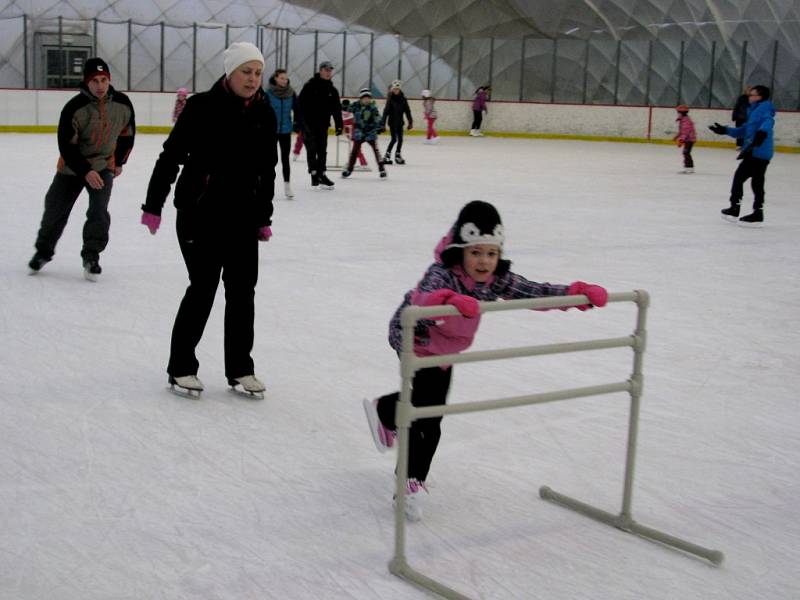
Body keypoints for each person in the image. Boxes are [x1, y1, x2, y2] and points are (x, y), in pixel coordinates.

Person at [362, 200, 608, 521]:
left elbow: (533, 292)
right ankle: (410, 481)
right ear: (460, 250)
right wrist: (450, 299)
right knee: (428, 416)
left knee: (427, 407)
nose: (483, 261)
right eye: (475, 252)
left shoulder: (495, 280)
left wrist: (576, 295)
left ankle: (385, 412)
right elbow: (425, 297)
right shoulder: (442, 272)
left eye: (491, 254)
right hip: (416, 338)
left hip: (447, 347)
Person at [140, 41, 277, 396]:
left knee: (242, 293)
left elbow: (267, 170)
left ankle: (240, 369)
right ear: (229, 73)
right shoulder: (201, 107)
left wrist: (264, 215)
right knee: (202, 289)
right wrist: (153, 204)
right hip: (199, 214)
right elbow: (170, 157)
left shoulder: (265, 112)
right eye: (246, 72)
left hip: (243, 218)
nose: (253, 79)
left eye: (258, 72)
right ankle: (181, 367)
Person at [28, 57, 136, 281]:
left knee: (98, 212)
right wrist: (85, 170)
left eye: (103, 79)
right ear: (86, 82)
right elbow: (66, 145)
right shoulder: (74, 108)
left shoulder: (123, 104)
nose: (100, 85)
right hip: (72, 167)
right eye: (94, 80)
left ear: (109, 80)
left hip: (104, 165)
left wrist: (119, 162)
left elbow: (127, 135)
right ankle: (43, 252)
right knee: (55, 210)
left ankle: (92, 256)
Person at [709, 84, 775, 226]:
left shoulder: (764, 109)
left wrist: (762, 132)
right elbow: (744, 130)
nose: (749, 97)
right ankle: (754, 211)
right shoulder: (754, 110)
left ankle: (738, 208)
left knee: (744, 178)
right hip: (756, 151)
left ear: (760, 97)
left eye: (752, 95)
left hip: (758, 151)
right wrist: (725, 130)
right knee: (755, 181)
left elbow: (768, 121)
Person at [297, 60, 343, 190]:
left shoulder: (332, 90)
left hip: (323, 125)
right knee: (312, 149)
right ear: (320, 70)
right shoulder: (310, 86)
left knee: (322, 150)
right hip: (308, 124)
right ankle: (314, 174)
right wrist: (298, 122)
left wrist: (339, 124)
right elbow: (299, 104)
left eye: (330, 70)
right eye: (326, 70)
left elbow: (336, 109)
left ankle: (322, 174)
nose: (329, 73)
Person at [266, 68, 299, 199]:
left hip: (286, 131)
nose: (284, 81)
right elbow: (262, 112)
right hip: (271, 132)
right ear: (275, 78)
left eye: (286, 78)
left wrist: (297, 123)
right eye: (281, 78)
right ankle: (268, 186)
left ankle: (287, 186)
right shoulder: (268, 94)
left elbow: (297, 109)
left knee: (285, 159)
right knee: (270, 160)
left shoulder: (291, 93)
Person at [341, 88, 386, 179]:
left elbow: (377, 118)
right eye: (364, 98)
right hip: (359, 132)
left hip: (370, 132)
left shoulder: (373, 108)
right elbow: (348, 109)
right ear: (361, 98)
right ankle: (349, 169)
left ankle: (382, 169)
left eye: (368, 98)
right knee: (354, 152)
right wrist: (343, 106)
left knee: (376, 150)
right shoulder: (356, 105)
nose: (366, 100)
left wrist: (380, 126)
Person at [381, 80, 412, 165]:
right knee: (394, 139)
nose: (396, 91)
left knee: (401, 140)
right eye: (394, 89)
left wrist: (410, 122)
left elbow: (407, 111)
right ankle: (387, 155)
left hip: (400, 123)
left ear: (400, 89)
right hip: (392, 122)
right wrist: (382, 124)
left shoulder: (403, 99)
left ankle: (397, 155)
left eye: (397, 89)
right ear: (392, 89)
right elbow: (385, 112)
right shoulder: (390, 99)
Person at [341, 99, 368, 168]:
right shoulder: (344, 109)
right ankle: (355, 162)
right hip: (349, 129)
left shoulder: (352, 109)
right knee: (355, 147)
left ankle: (361, 162)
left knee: (356, 147)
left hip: (353, 128)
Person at [673, 104, 696, 174]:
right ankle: (689, 168)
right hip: (688, 139)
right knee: (686, 153)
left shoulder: (686, 121)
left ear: (682, 113)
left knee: (686, 152)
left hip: (689, 139)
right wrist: (677, 136)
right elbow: (682, 131)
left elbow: (685, 132)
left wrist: (681, 140)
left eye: (678, 112)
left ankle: (689, 168)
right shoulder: (683, 120)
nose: (677, 113)